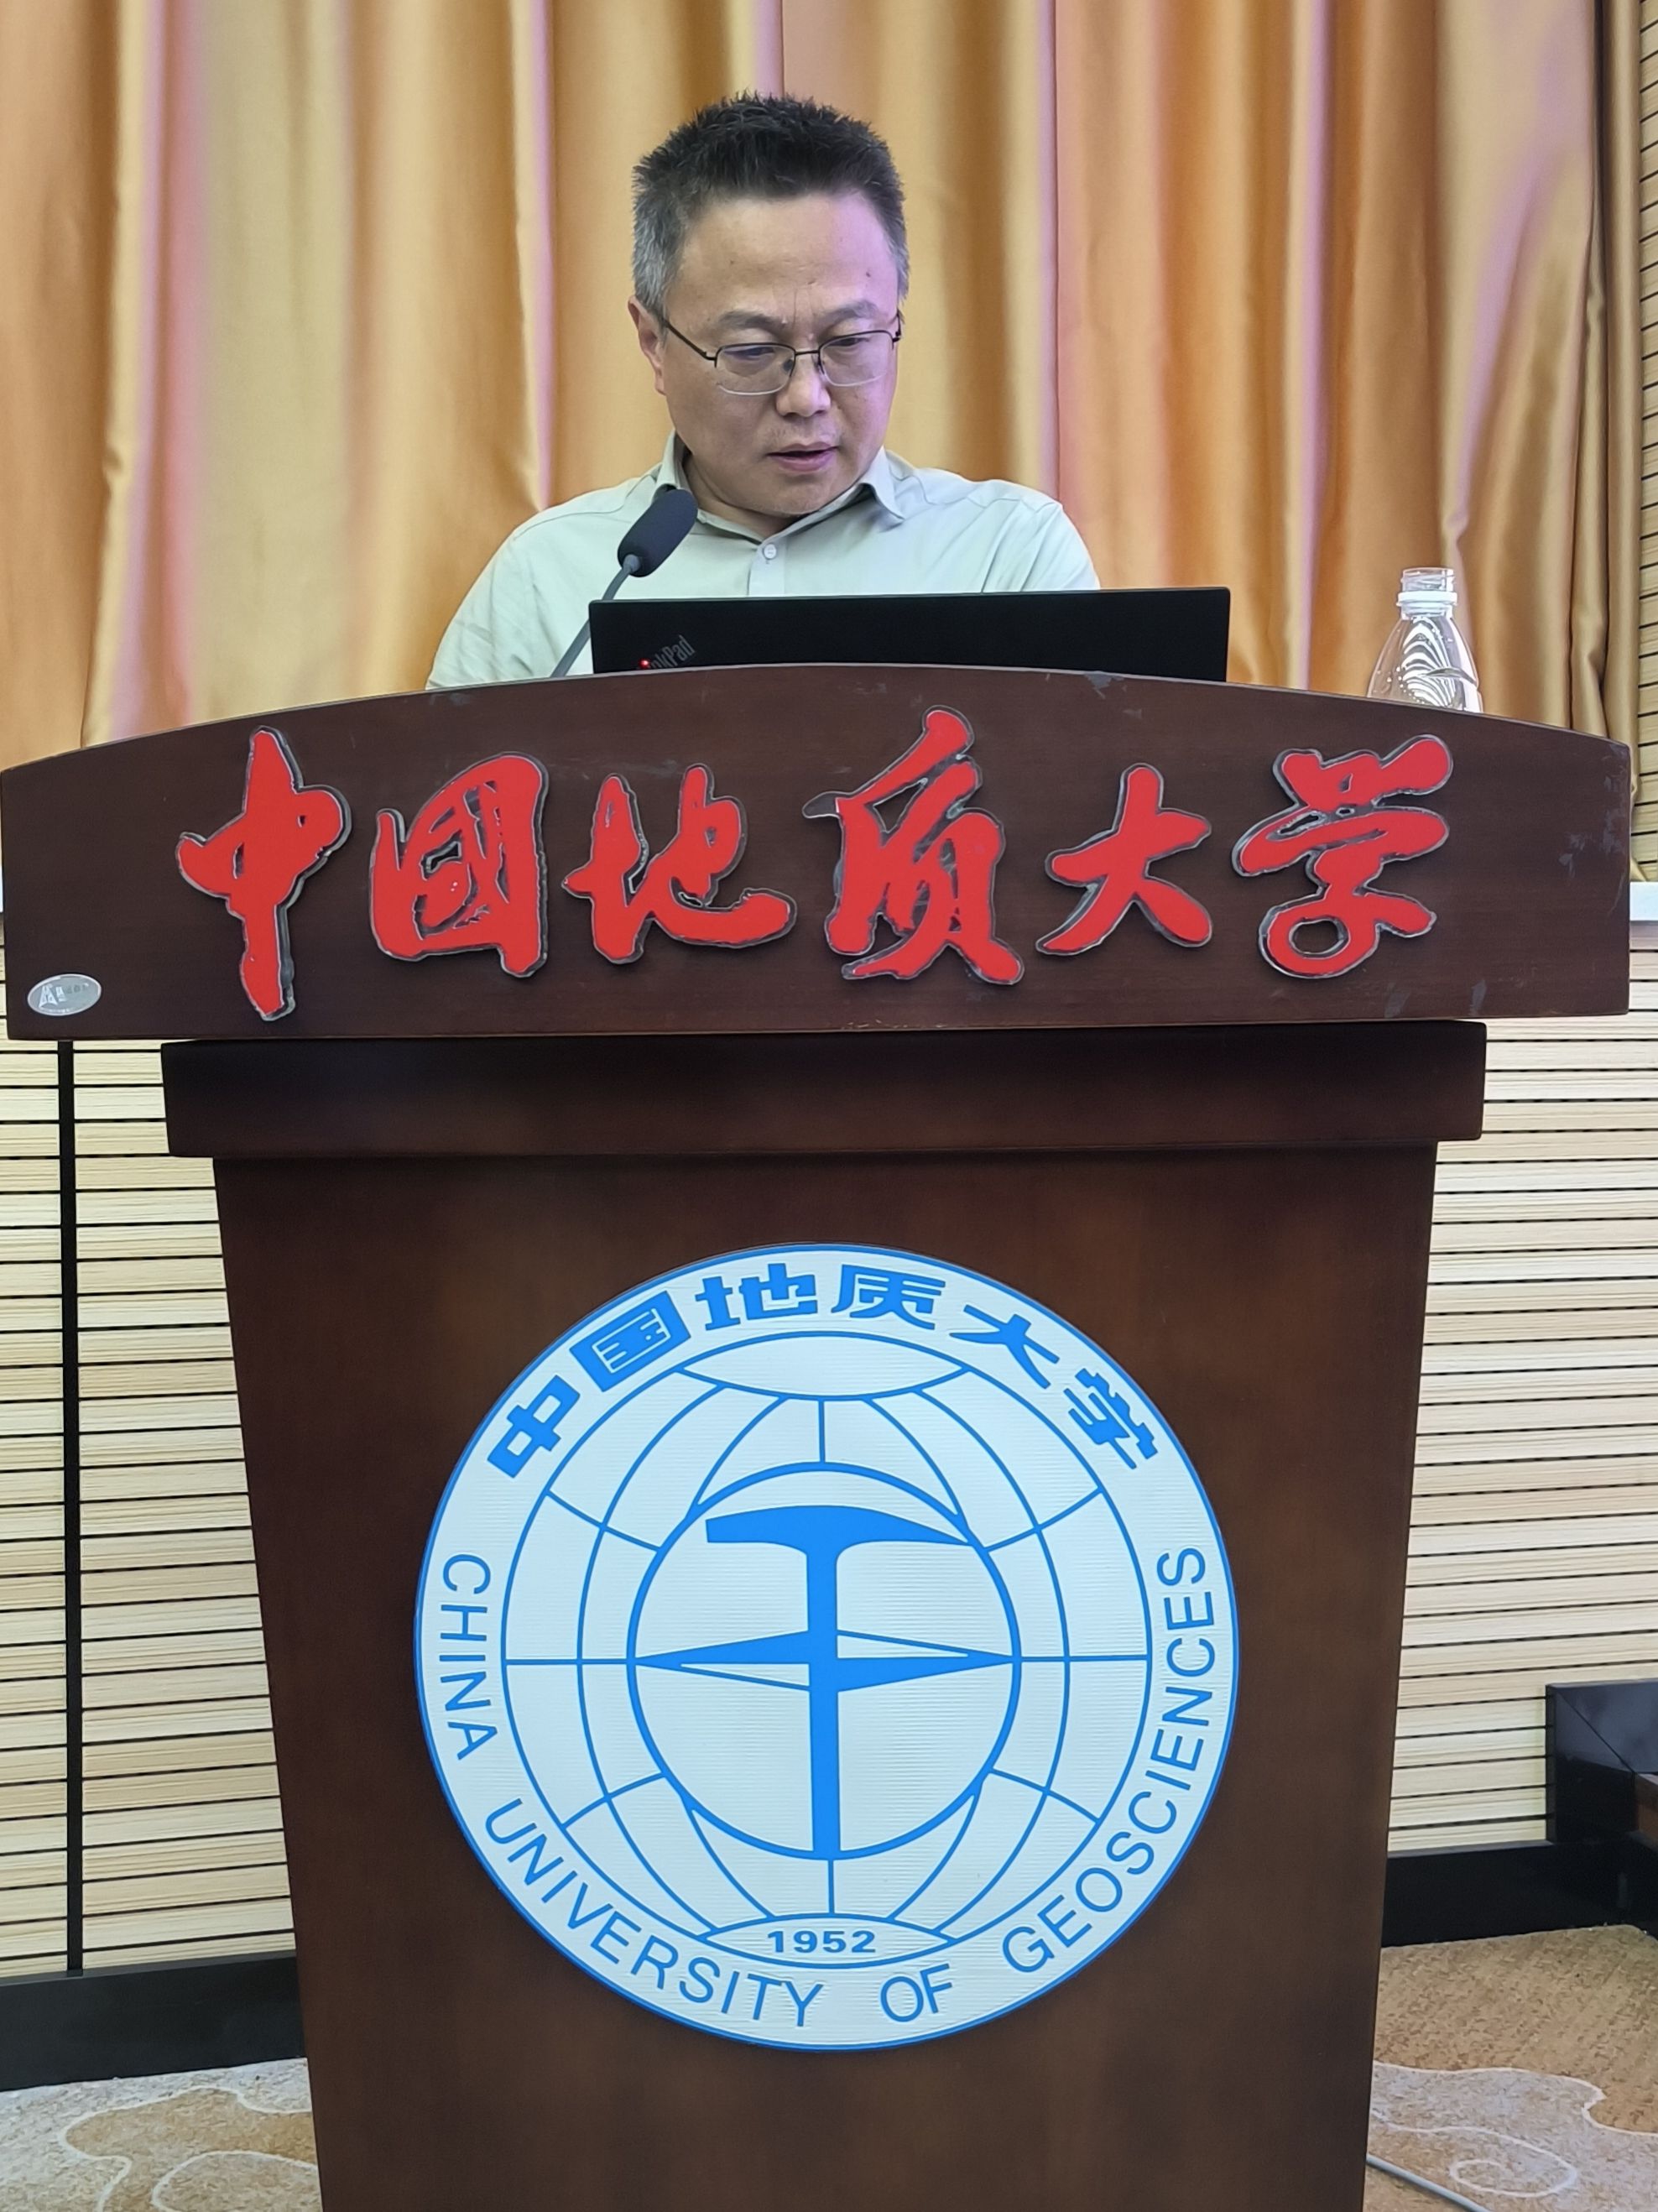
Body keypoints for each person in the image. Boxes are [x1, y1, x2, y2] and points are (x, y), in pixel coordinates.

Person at [429, 93, 1097, 686]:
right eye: (752, 352)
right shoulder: (549, 576)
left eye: (849, 341)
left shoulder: (1007, 556)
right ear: (655, 343)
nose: (806, 398)